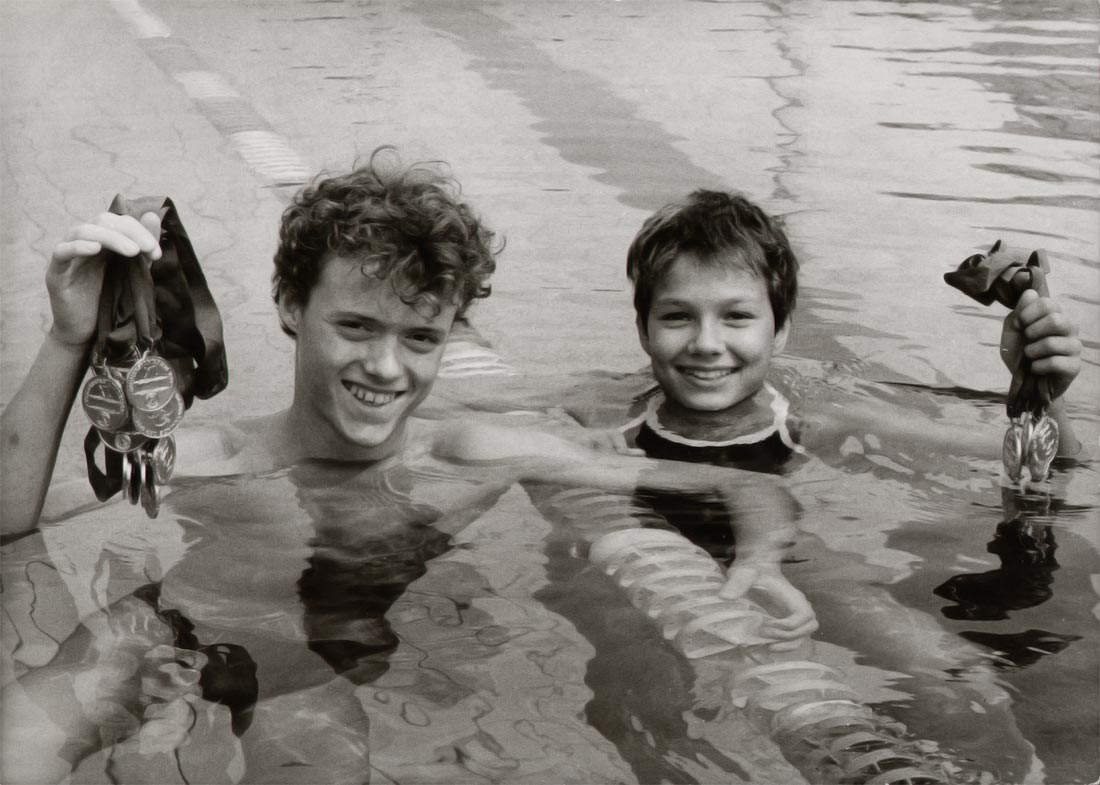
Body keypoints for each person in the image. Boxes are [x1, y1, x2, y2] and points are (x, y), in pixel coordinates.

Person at [0, 151, 815, 784]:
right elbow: (10, 519)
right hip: (157, 632)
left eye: (420, 338)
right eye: (355, 326)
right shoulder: (220, 456)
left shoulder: (469, 455)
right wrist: (70, 338)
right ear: (290, 306)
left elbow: (737, 482)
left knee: (325, 760)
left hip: (310, 676)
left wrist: (761, 558)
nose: (386, 367)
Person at [547, 188, 1084, 778]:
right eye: (677, 316)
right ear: (644, 330)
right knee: (633, 708)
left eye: (736, 316)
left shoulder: (820, 420)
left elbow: (1049, 465)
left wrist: (1039, 393)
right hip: (640, 552)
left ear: (778, 332)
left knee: (957, 676)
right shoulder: (601, 410)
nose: (706, 343)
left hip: (797, 565)